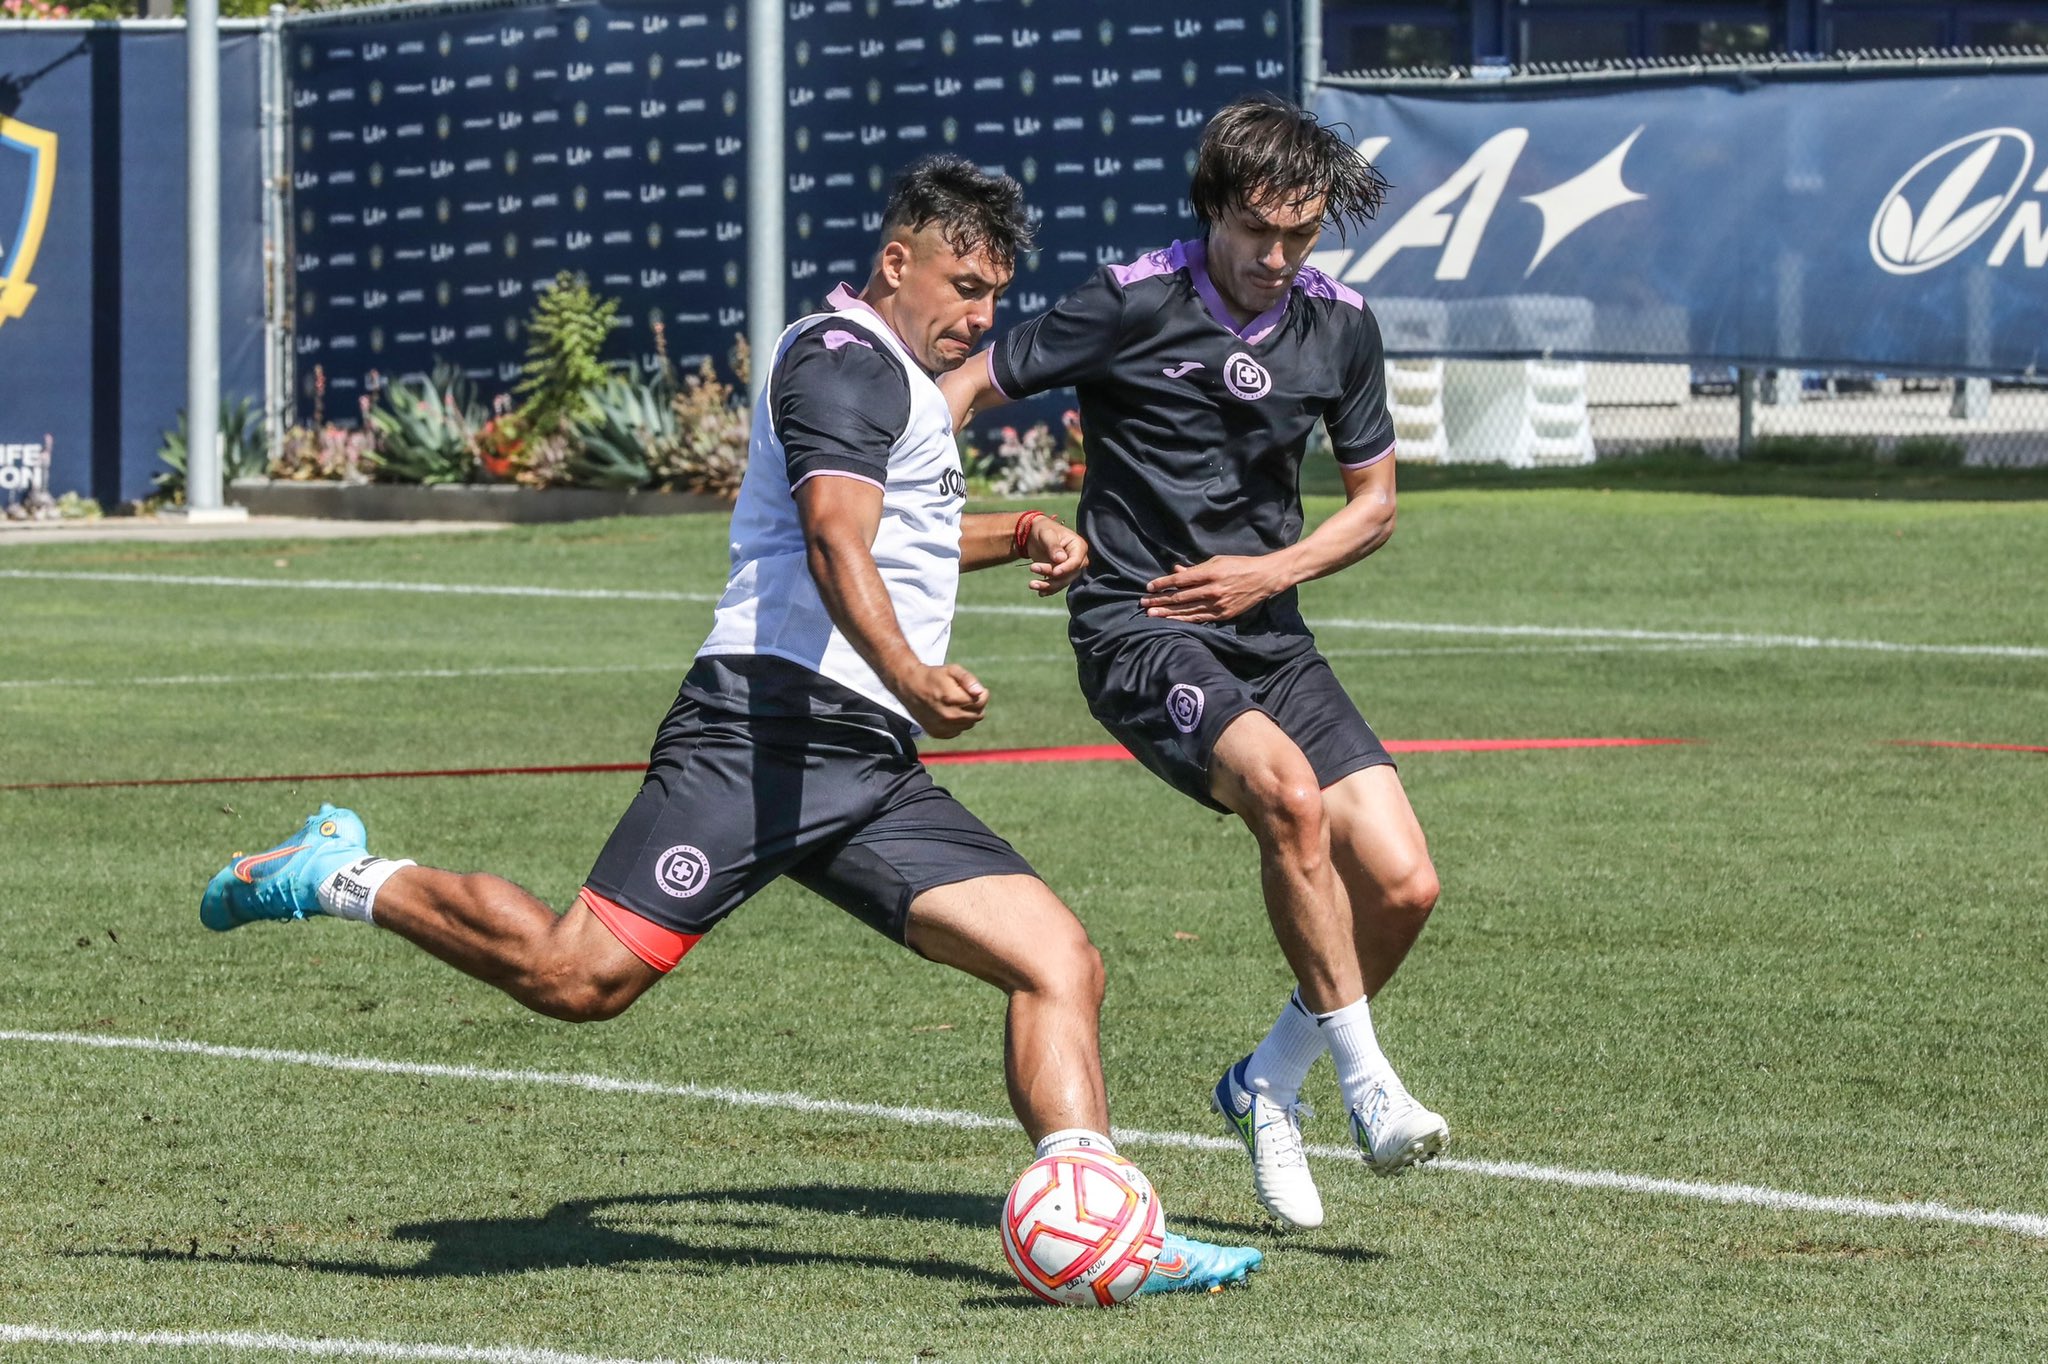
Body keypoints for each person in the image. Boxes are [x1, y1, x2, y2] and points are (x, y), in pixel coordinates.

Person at [200, 155, 1258, 1295]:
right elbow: (833, 541)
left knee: (1057, 959)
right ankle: (338, 872)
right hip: (761, 730)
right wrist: (910, 670)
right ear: (893, 260)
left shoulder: (895, 379)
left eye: (994, 293)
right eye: (961, 284)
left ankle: (1106, 1227)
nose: (980, 317)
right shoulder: (837, 361)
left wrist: (1012, 534)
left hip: (863, 760)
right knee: (576, 978)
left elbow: (897, 530)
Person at [942, 96, 1446, 1232]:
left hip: (1267, 631)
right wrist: (880, 481)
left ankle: (1264, 1080)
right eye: (1256, 231)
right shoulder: (1130, 302)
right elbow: (967, 388)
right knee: (1284, 793)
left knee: (1406, 883)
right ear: (1213, 206)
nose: (1277, 257)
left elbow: (1373, 507)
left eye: (1300, 235)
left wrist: (1266, 574)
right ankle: (1365, 1082)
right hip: (1139, 623)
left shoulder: (1338, 326)